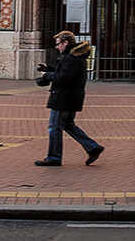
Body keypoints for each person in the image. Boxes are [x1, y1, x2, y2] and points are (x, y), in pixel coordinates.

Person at [32, 31, 102, 168]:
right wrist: (49, 69)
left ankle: (54, 157)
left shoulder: (71, 58)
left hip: (63, 98)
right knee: (67, 124)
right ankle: (93, 147)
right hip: (70, 97)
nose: (57, 47)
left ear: (65, 43)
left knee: (54, 127)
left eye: (58, 44)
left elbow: (63, 78)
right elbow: (64, 73)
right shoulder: (73, 56)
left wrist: (47, 75)